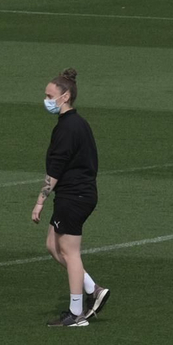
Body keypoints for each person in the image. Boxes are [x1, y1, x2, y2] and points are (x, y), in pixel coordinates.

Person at [32, 68, 111, 327]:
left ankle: (76, 314)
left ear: (65, 96)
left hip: (74, 196)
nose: (46, 100)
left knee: (70, 252)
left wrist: (40, 201)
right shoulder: (79, 123)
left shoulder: (67, 128)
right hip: (78, 194)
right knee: (52, 245)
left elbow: (55, 169)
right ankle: (93, 289)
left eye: (49, 96)